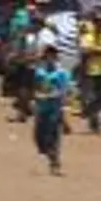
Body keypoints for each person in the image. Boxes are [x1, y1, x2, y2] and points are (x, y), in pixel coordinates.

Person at [30, 42, 69, 174]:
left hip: (55, 107)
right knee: (38, 136)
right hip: (41, 106)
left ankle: (55, 163)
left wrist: (54, 95)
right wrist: (36, 96)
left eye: (52, 54)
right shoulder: (39, 71)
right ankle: (50, 155)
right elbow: (35, 87)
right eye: (48, 54)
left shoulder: (61, 72)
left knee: (53, 135)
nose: (50, 56)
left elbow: (64, 90)